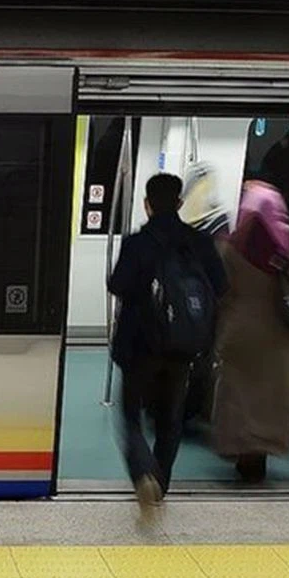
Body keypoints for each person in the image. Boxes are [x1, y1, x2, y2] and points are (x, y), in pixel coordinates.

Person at [108, 173, 227, 510]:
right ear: (179, 203)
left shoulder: (137, 244)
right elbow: (221, 286)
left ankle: (143, 473)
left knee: (131, 415)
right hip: (183, 347)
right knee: (170, 419)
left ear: (147, 204)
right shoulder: (200, 242)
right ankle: (160, 484)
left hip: (139, 346)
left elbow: (118, 285)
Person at [211, 176, 289, 483]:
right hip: (279, 336)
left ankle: (241, 453)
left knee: (239, 396)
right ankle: (259, 458)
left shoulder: (234, 245)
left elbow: (222, 290)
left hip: (240, 331)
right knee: (268, 400)